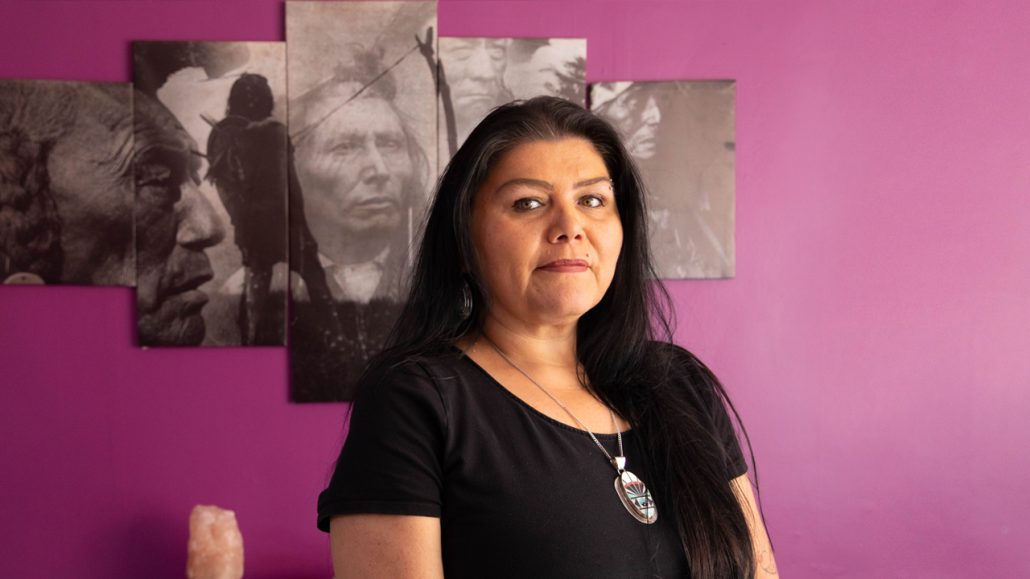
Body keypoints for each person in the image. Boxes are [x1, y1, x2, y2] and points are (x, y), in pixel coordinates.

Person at [317, 97, 777, 578]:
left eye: (592, 200)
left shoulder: (681, 383)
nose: (570, 227)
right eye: (529, 203)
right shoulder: (417, 400)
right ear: (463, 243)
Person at [288, 53, 430, 400]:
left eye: (390, 144)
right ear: (294, 171)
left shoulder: (443, 290)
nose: (379, 170)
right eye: (345, 147)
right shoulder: (247, 298)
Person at [206, 73, 289, 345]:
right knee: (258, 276)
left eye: (258, 95)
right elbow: (230, 186)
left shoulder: (265, 132)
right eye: (250, 95)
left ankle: (254, 333)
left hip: (264, 218)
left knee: (261, 277)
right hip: (253, 220)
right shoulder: (229, 135)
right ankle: (252, 337)